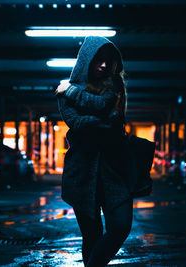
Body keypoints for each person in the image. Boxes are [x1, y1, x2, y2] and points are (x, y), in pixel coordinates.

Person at [55, 36, 133, 266]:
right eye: (98, 60)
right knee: (92, 235)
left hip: (115, 171)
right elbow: (77, 123)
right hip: (82, 173)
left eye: (108, 61)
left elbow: (106, 112)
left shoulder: (111, 87)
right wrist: (105, 120)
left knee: (120, 227)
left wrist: (72, 93)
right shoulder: (66, 90)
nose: (104, 65)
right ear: (86, 60)